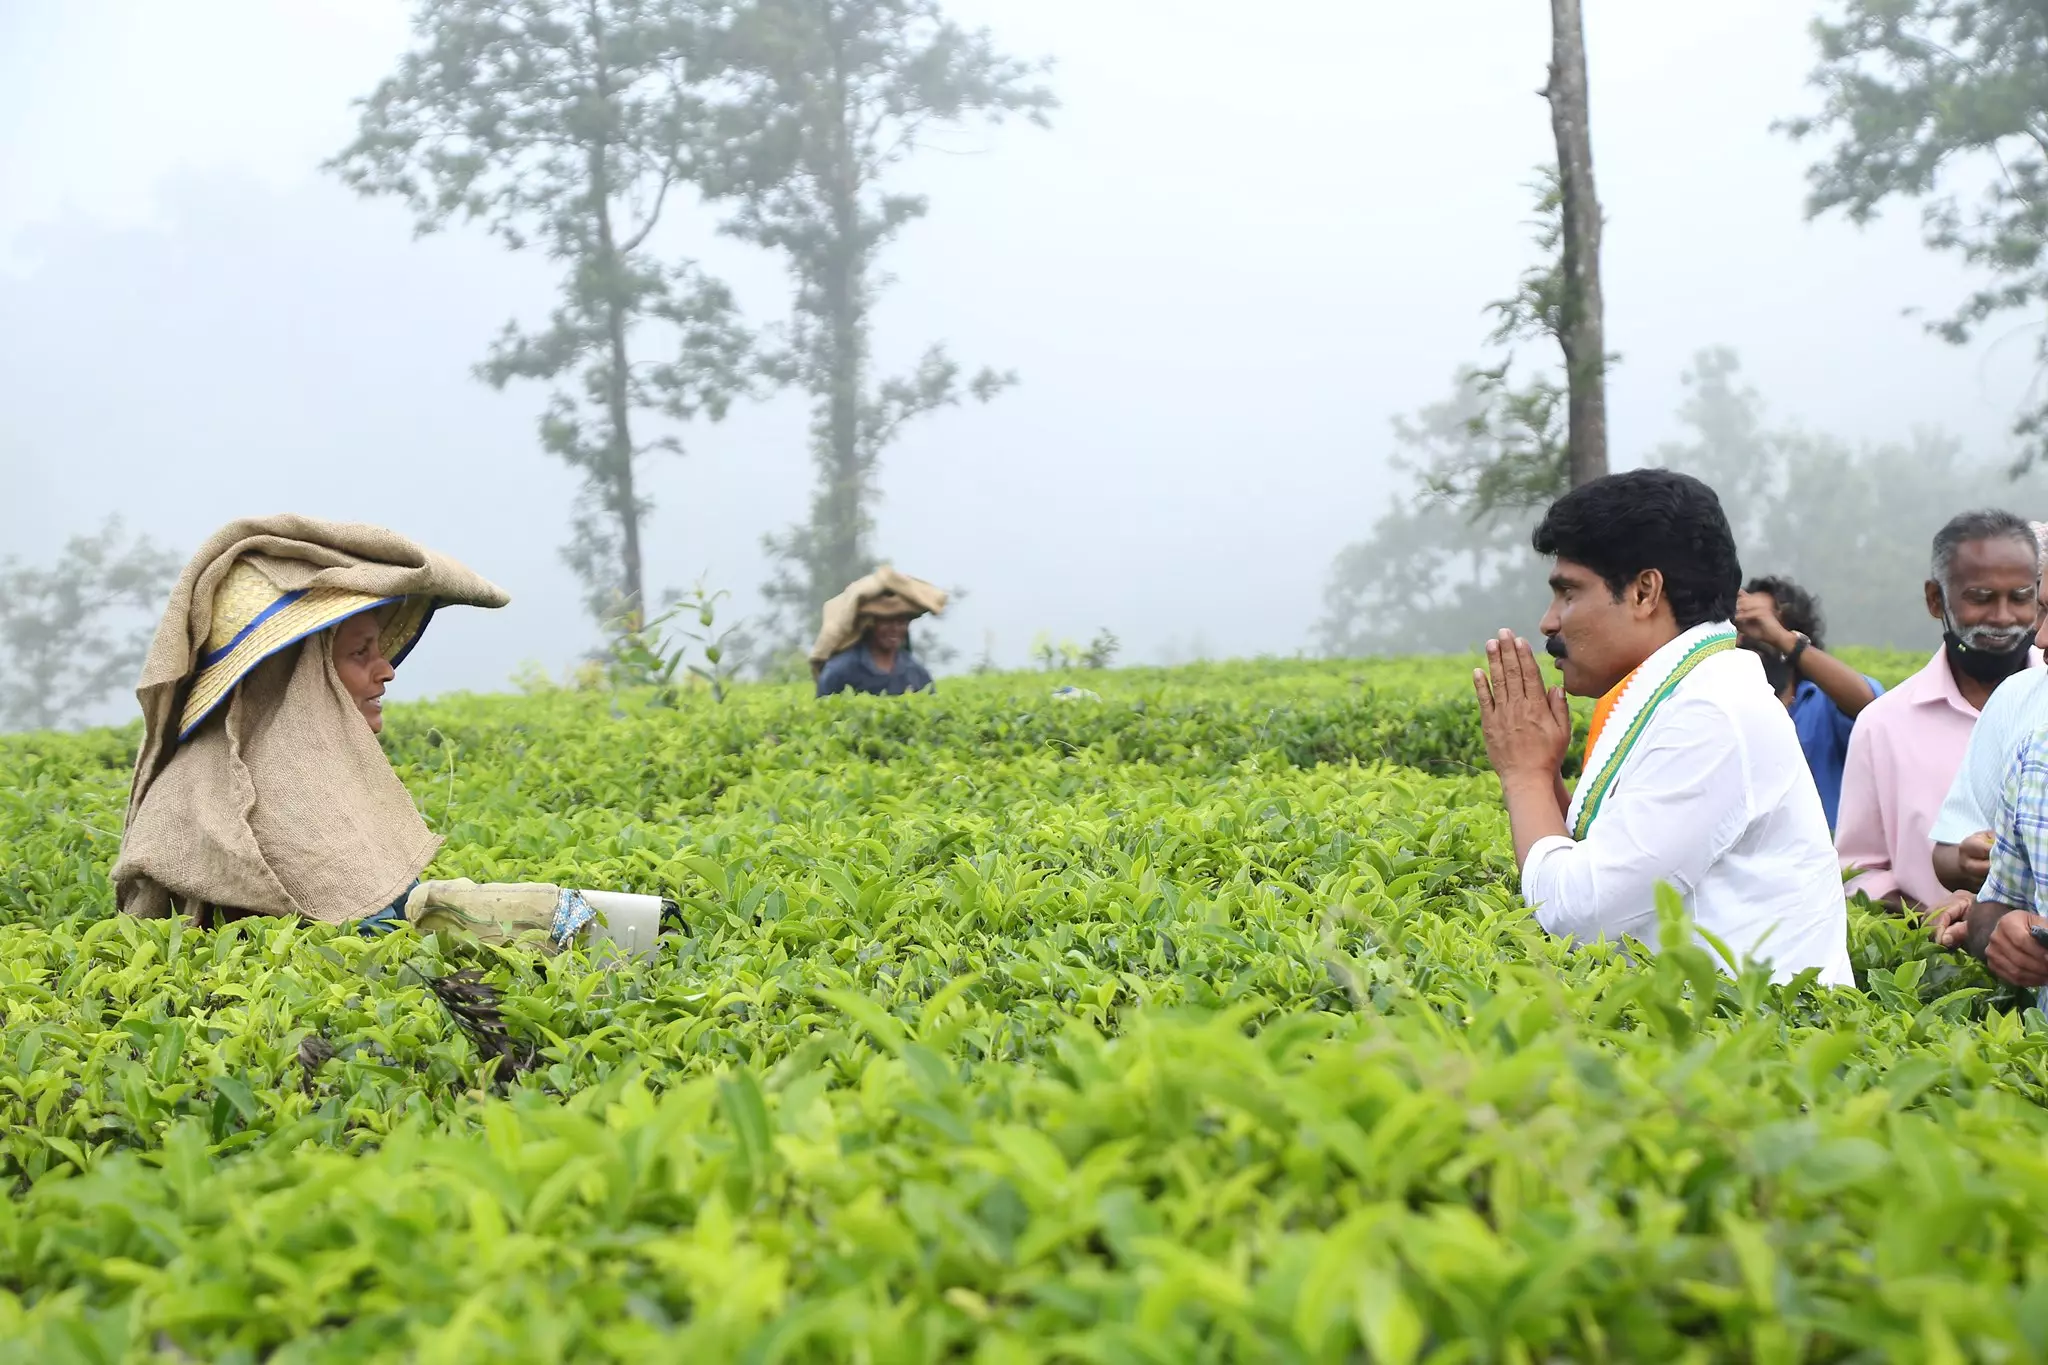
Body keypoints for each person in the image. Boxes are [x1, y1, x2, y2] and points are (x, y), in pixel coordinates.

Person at [1472, 469, 1853, 986]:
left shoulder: (1712, 712)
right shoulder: (1689, 690)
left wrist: (1525, 775)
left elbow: (1579, 914)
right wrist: (1543, 775)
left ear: (1645, 592)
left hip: (1760, 1049)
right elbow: (1615, 857)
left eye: (1568, 593)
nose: (1549, 622)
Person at [112, 515, 511, 930]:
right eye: (360, 652)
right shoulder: (269, 797)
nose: (387, 670)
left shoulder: (317, 777)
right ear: (301, 678)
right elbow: (365, 938)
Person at [1835, 511, 2043, 913]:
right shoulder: (1883, 725)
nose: (2003, 618)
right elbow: (1856, 872)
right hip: (1932, 970)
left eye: (2021, 597)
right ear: (1936, 599)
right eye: (1980, 598)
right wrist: (1925, 919)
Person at [1926, 520, 2048, 897]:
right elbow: (1950, 855)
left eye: (2020, 599)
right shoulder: (2019, 699)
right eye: (2042, 610)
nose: (2039, 637)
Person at [1731, 576, 1881, 830]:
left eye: (1760, 623)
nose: (1750, 635)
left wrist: (1781, 638)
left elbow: (1873, 709)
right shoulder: (1723, 710)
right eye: (1740, 625)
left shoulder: (1823, 702)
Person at [810, 567, 947, 698]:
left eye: (901, 622)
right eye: (887, 621)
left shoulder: (916, 673)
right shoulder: (841, 670)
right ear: (871, 623)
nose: (894, 628)